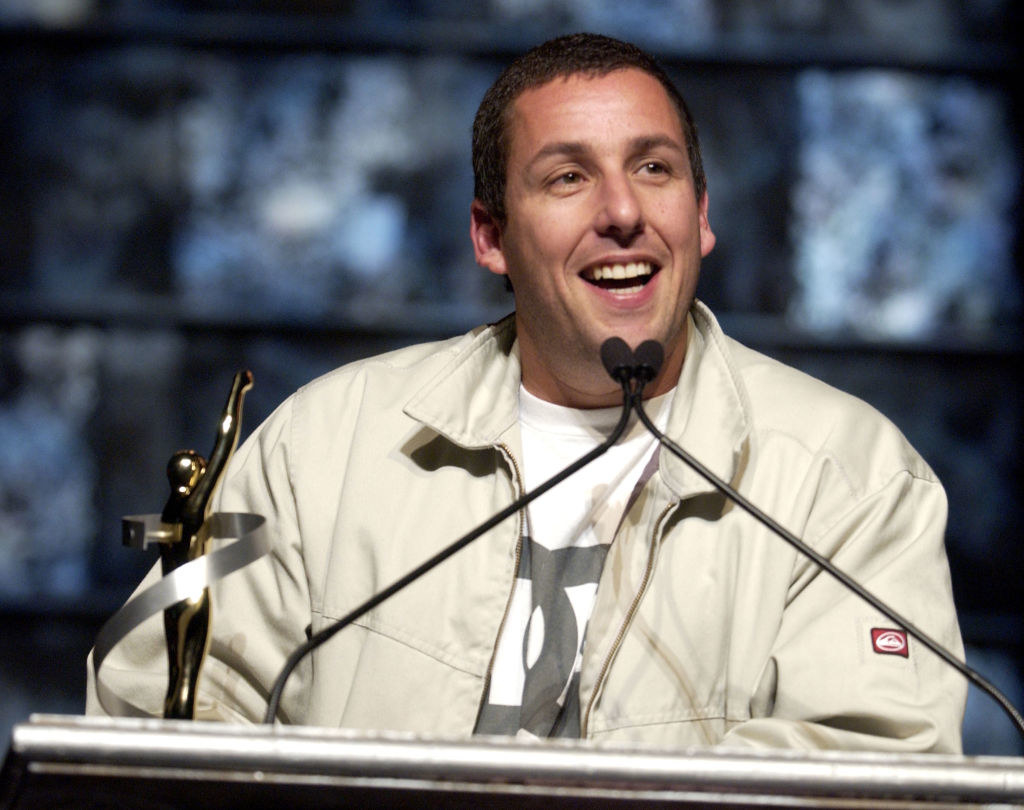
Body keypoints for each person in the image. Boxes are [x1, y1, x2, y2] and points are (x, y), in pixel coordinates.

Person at [88, 33, 965, 751]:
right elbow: (154, 700)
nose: (622, 211)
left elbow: (877, 764)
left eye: (654, 169)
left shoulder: (850, 478)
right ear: (490, 236)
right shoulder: (316, 448)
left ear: (701, 215)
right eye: (568, 177)